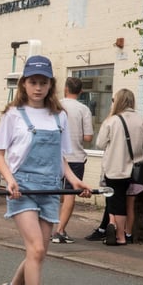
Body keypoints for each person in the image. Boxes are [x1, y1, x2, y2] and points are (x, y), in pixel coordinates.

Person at [0, 55, 91, 285]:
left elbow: (60, 155)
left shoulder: (59, 116)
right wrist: (10, 181)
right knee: (36, 249)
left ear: (51, 85)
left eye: (43, 82)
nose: (38, 87)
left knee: (38, 252)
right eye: (33, 82)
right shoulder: (13, 115)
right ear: (24, 84)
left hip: (50, 189)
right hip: (22, 188)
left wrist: (73, 180)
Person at [95, 88, 143, 246]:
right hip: (135, 170)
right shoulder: (141, 120)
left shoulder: (112, 121)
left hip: (115, 169)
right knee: (129, 204)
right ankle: (127, 234)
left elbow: (100, 143)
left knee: (116, 203)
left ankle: (119, 235)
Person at [53, 77, 93, 244]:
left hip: (55, 156)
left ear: (65, 89)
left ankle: (48, 227)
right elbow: (88, 137)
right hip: (75, 157)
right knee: (70, 195)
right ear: (81, 91)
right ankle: (60, 231)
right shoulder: (84, 110)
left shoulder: (56, 106)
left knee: (53, 193)